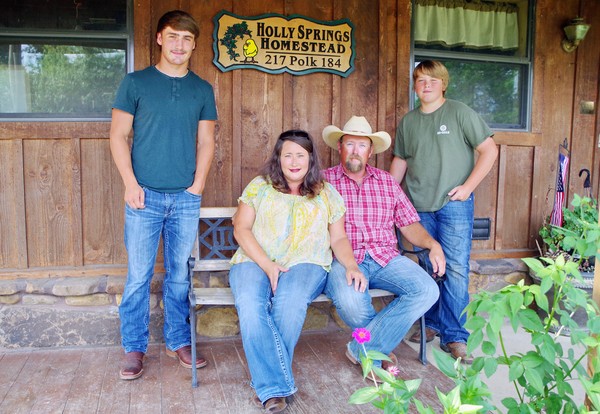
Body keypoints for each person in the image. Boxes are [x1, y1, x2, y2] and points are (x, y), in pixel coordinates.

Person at [110, 10, 217, 380]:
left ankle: (177, 340)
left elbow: (206, 140)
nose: (179, 45)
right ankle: (134, 347)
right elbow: (118, 135)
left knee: (178, 277)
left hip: (186, 198)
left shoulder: (202, 89)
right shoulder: (136, 83)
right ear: (159, 39)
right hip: (144, 196)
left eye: (187, 39)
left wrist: (198, 184)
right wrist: (130, 183)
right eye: (173, 36)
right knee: (138, 275)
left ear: (194, 45)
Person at [229, 130, 363, 413]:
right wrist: (267, 264)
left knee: (289, 303)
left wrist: (351, 265)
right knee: (251, 307)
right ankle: (275, 386)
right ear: (278, 157)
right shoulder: (259, 186)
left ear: (310, 159)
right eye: (287, 154)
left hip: (307, 262)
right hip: (254, 260)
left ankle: (268, 387)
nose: (293, 161)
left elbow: (338, 238)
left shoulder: (326, 192)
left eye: (300, 155)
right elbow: (241, 229)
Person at [390, 60, 498, 363]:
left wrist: (467, 188)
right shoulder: (408, 122)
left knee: (455, 269)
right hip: (417, 207)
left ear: (443, 84)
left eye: (432, 80)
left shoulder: (460, 112)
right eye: (420, 79)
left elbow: (489, 150)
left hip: (454, 205)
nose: (426, 85)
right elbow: (401, 161)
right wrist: (390, 196)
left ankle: (455, 335)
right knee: (427, 269)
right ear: (414, 85)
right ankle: (432, 324)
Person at [321, 115, 444, 376]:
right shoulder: (322, 182)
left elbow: (409, 224)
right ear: (340, 147)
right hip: (342, 260)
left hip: (385, 257)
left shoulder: (387, 182)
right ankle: (379, 350)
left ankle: (363, 349)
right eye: (350, 144)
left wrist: (433, 244)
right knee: (351, 302)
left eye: (362, 145)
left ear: (371, 150)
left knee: (426, 290)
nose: (355, 151)